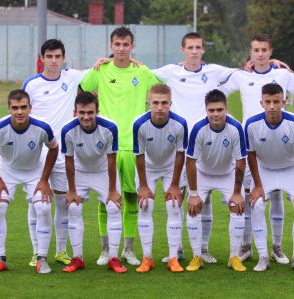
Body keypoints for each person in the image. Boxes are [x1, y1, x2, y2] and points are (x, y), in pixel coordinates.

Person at [218, 33, 294, 263]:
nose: (259, 54)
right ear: (250, 52)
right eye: (255, 50)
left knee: (276, 198)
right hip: (252, 145)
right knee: (250, 198)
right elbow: (216, 90)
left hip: (279, 144)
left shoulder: (281, 74)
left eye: (264, 50)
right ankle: (247, 246)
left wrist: (287, 69)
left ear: (270, 51)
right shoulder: (241, 76)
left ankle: (277, 247)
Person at [152, 32, 239, 264]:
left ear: (203, 50)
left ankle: (203, 249)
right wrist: (110, 61)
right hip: (179, 144)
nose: (194, 51)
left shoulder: (213, 71)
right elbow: (141, 72)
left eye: (198, 47)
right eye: (190, 47)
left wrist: (266, 64)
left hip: (206, 140)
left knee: (204, 199)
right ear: (182, 50)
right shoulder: (171, 71)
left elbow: (241, 72)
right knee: (178, 196)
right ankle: (178, 248)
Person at [80, 26, 159, 266]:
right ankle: (105, 249)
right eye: (117, 44)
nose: (121, 49)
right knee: (107, 199)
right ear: (111, 46)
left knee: (132, 198)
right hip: (106, 146)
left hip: (134, 146)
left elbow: (160, 90)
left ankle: (129, 248)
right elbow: (83, 89)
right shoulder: (101, 69)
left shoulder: (142, 71)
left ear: (132, 46)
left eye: (126, 44)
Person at [22, 39, 89, 266]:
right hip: (37, 152)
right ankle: (36, 251)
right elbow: (22, 114)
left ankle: (61, 251)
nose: (53, 61)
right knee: (36, 203)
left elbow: (100, 67)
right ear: (41, 58)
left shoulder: (71, 78)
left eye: (57, 56)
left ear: (63, 58)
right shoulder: (31, 85)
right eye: (49, 56)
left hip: (62, 152)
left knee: (62, 202)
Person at [0, 89, 58, 274]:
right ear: (9, 109)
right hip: (6, 170)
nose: (20, 112)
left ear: (30, 108)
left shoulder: (42, 127)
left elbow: (53, 149)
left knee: (44, 208)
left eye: (23, 107)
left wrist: (44, 179)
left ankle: (42, 258)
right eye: (15, 108)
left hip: (35, 171)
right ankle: (0, 259)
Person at [244, 83, 294, 272]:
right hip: (265, 169)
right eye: (268, 102)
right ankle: (263, 256)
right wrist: (257, 185)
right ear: (261, 103)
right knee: (256, 205)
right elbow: (251, 154)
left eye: (276, 102)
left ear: (284, 102)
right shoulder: (251, 124)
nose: (272, 106)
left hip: (291, 168)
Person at [61, 92, 126, 273]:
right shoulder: (68, 130)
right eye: (82, 112)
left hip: (103, 170)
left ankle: (113, 258)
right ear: (75, 112)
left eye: (90, 112)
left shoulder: (110, 128)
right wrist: (72, 191)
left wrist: (113, 190)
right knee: (73, 207)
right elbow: (68, 161)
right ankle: (77, 258)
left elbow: (112, 160)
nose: (86, 117)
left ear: (98, 111)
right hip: (80, 171)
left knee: (114, 207)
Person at [185, 89, 247, 272]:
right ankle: (197, 256)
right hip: (203, 173)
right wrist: (194, 194)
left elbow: (241, 161)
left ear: (226, 109)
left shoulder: (235, 128)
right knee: (194, 209)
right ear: (206, 110)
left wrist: (236, 193)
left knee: (238, 207)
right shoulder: (198, 128)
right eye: (211, 110)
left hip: (227, 174)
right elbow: (190, 162)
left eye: (219, 109)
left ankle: (234, 257)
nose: (215, 114)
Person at [132, 83, 188, 273]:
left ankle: (173, 258)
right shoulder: (139, 124)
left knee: (173, 205)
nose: (160, 107)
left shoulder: (180, 124)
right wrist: (143, 185)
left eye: (164, 103)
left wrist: (174, 185)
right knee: (145, 204)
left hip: (171, 167)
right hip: (147, 168)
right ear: (149, 103)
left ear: (170, 103)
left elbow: (181, 154)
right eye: (155, 103)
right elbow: (138, 156)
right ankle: (147, 258)